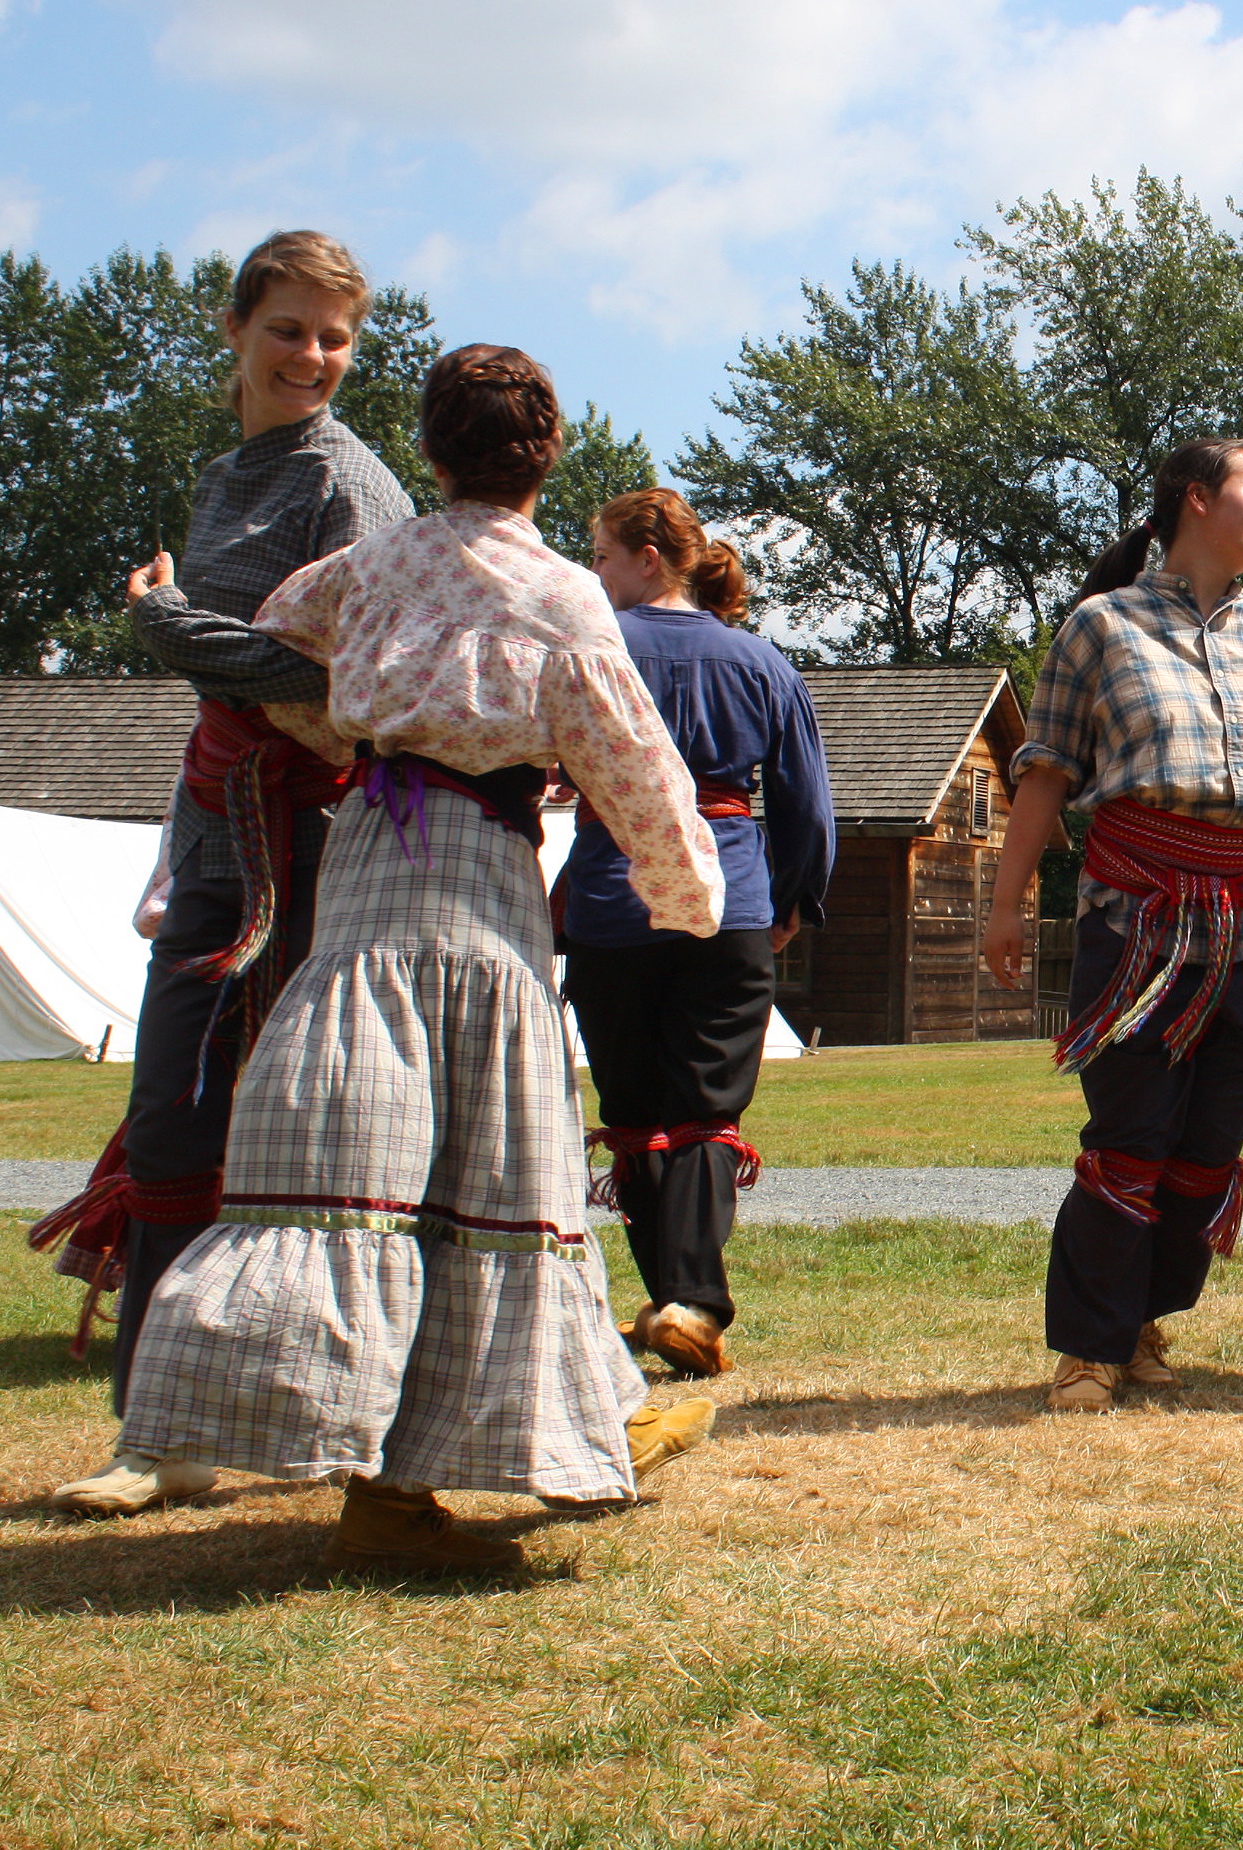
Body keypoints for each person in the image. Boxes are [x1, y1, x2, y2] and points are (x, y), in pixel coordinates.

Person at [115, 346, 727, 1575]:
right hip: (479, 891)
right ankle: (476, 1453)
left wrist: (337, 709)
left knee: (369, 1165)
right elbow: (635, 762)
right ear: (546, 459)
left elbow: (282, 644)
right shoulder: (560, 593)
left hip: (363, 884)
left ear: (432, 452)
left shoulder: (375, 560)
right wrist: (689, 894)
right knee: (488, 1172)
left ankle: (380, 1476)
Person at [40, 231, 413, 1519]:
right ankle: (163, 1427)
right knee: (173, 1117)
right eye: (291, 329)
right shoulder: (225, 478)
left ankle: (332, 1408)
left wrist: (167, 621)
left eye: (335, 336)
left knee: (298, 1134)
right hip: (219, 830)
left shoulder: (350, 487)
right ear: (236, 330)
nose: (313, 356)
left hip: (314, 846)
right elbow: (242, 678)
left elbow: (345, 682)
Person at [978, 438, 1243, 1413]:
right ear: (1197, 499)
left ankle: (1146, 1316)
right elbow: (1046, 772)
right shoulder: (1099, 626)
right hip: (1137, 918)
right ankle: (1088, 1347)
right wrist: (1005, 902)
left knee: (1210, 1142)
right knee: (1131, 1133)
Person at [566, 487, 835, 1379]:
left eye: (601, 557)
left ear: (649, 558)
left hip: (613, 900)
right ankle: (691, 1304)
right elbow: (804, 804)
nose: (593, 576)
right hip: (728, 902)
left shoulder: (592, 651)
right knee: (705, 1111)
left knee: (637, 1112)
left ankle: (678, 1301)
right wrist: (795, 897)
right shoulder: (761, 662)